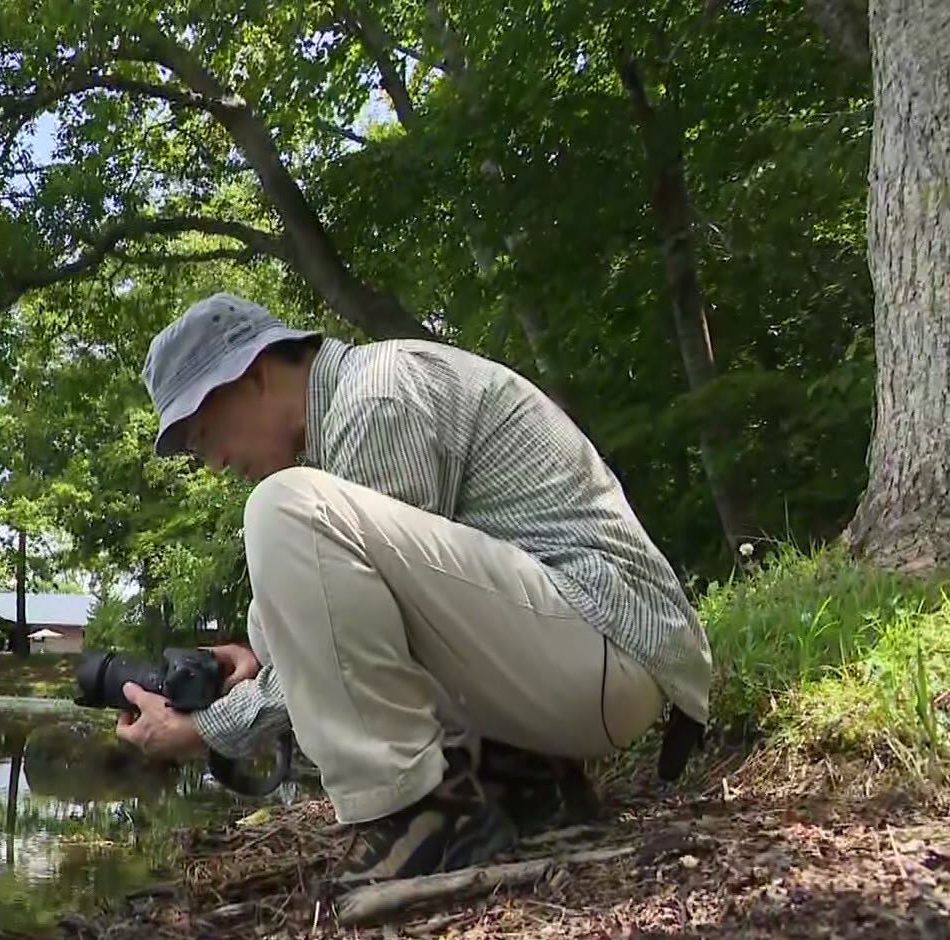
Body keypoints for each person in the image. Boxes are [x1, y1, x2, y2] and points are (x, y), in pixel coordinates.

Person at [115, 292, 713, 884]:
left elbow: (365, 645)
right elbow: (373, 623)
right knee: (269, 614)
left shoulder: (373, 397)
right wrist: (258, 658)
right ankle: (519, 784)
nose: (213, 460)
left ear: (253, 374)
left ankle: (418, 819)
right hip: (579, 661)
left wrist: (205, 731)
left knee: (282, 509)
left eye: (203, 431)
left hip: (608, 646)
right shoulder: (356, 409)